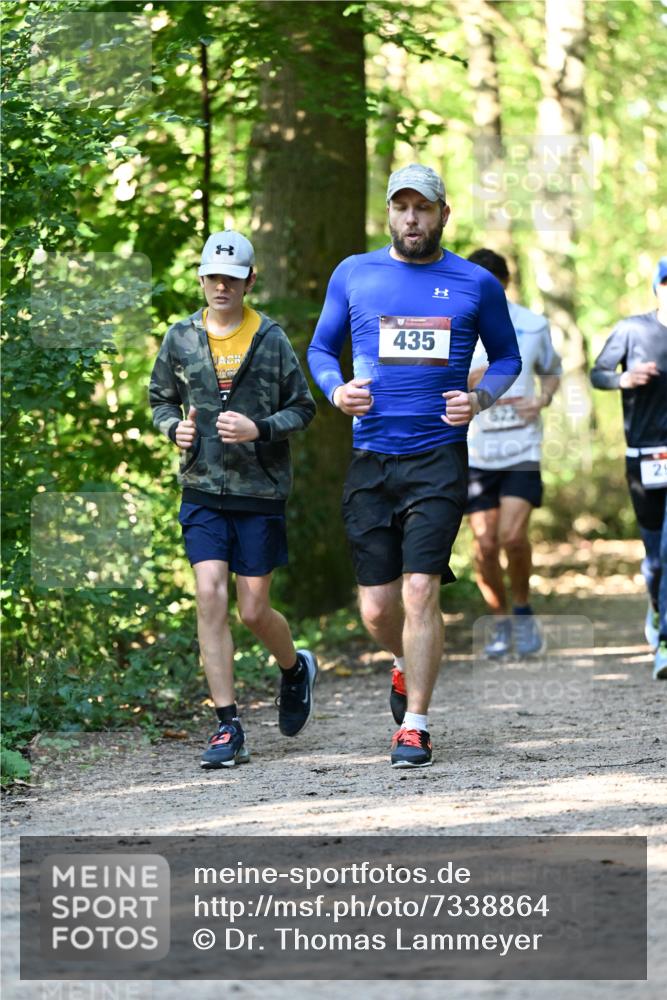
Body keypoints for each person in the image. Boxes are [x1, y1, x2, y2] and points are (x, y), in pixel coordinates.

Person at [307, 164, 522, 768]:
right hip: (371, 456)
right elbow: (322, 348)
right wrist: (334, 388)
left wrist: (478, 399)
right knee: (377, 607)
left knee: (422, 587)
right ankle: (403, 661)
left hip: (437, 457)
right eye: (402, 207)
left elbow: (508, 357)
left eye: (423, 208)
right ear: (389, 214)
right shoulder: (354, 273)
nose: (412, 218)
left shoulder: (476, 283)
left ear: (442, 215)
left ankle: (417, 726)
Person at [149, 229, 318, 767]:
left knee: (253, 608)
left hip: (259, 490)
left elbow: (304, 408)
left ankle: (295, 668)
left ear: (249, 279)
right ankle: (228, 725)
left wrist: (260, 428)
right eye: (212, 277)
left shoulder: (270, 338)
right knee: (210, 595)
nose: (221, 286)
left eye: (232, 277)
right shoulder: (180, 337)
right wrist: (172, 427)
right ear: (200, 279)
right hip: (201, 487)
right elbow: (159, 400)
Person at [465, 249, 562, 658]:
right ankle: (500, 621)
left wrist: (541, 400)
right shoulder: (454, 328)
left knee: (512, 536)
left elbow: (552, 371)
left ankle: (522, 610)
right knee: (485, 543)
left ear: (504, 285)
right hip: (474, 450)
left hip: (521, 446)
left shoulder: (533, 326)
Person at [591, 256, 667, 680]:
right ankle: (657, 609)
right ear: (657, 287)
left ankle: (666, 645)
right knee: (656, 558)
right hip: (646, 457)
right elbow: (597, 372)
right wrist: (624, 378)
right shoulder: (633, 330)